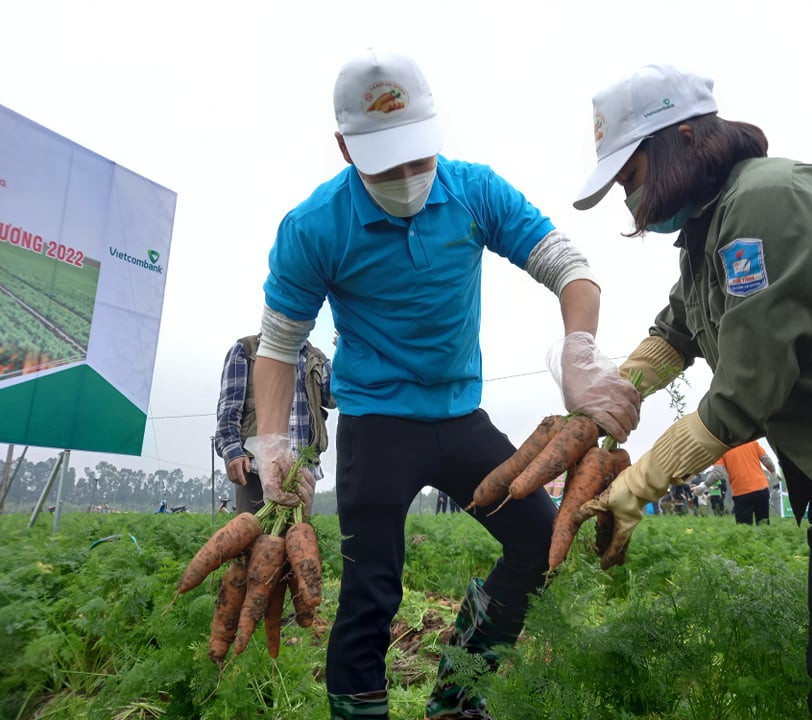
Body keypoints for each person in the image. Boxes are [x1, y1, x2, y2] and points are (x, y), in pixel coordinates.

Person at [250, 49, 642, 720]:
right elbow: (280, 345)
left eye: (419, 156)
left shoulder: (472, 191)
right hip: (378, 423)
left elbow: (568, 266)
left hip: (461, 417)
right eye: (387, 163)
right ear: (346, 147)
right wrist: (269, 442)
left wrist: (580, 350)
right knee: (372, 587)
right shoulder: (316, 226)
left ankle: (457, 697)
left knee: (538, 543)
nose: (409, 177)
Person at [573, 64, 812, 718]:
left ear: (684, 138)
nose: (626, 197)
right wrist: (594, 412)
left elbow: (745, 394)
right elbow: (676, 332)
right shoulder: (705, 234)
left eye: (630, 176)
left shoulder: (767, 201)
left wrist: (636, 488)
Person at [214, 334, 335, 515]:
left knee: (298, 538)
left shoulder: (317, 360)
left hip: (301, 474)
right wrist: (232, 452)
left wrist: (347, 350)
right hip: (255, 469)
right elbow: (229, 409)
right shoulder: (246, 350)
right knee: (251, 535)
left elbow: (335, 398)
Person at [714, 440, 776, 525]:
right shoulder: (751, 441)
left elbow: (717, 472)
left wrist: (703, 486)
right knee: (763, 524)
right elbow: (766, 459)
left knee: (744, 529)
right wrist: (773, 471)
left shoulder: (722, 448)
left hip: (742, 492)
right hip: (761, 488)